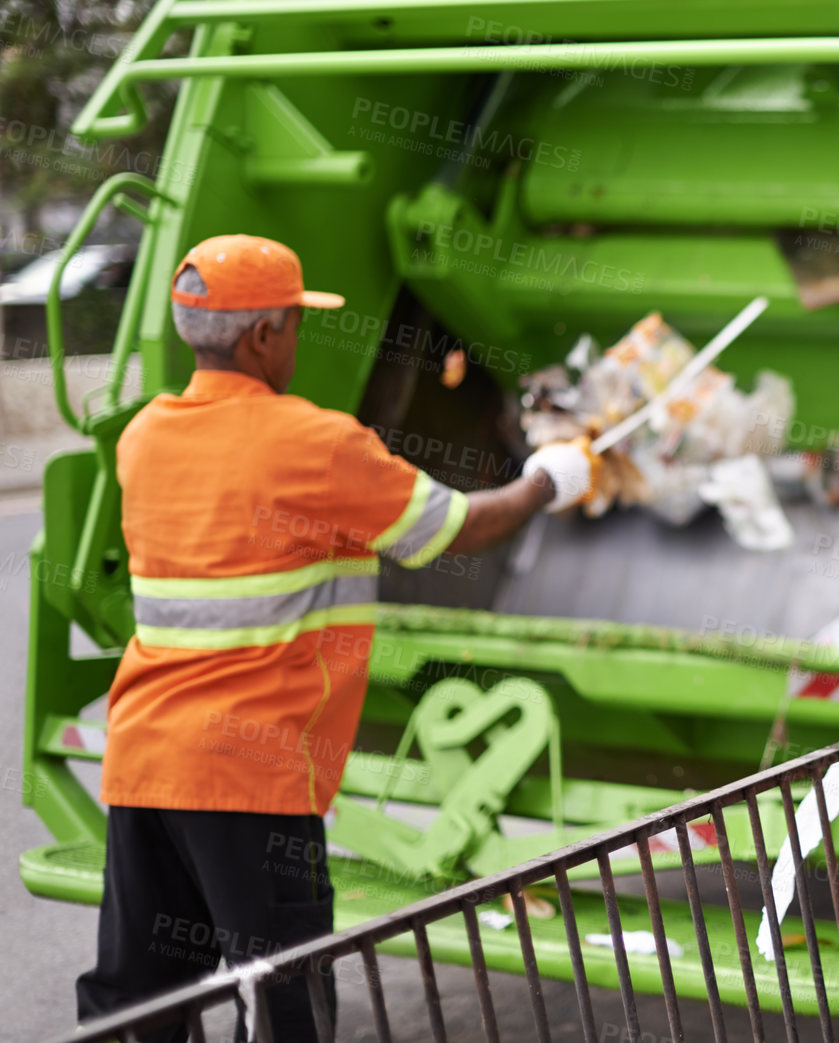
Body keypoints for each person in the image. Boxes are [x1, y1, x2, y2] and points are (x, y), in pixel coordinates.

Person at [75, 235, 597, 1039]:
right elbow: (457, 528)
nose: (295, 336)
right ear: (260, 337)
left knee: (139, 1000)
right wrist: (545, 481)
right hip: (254, 773)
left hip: (145, 763)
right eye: (291, 321)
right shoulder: (313, 442)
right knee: (284, 1001)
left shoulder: (146, 436)